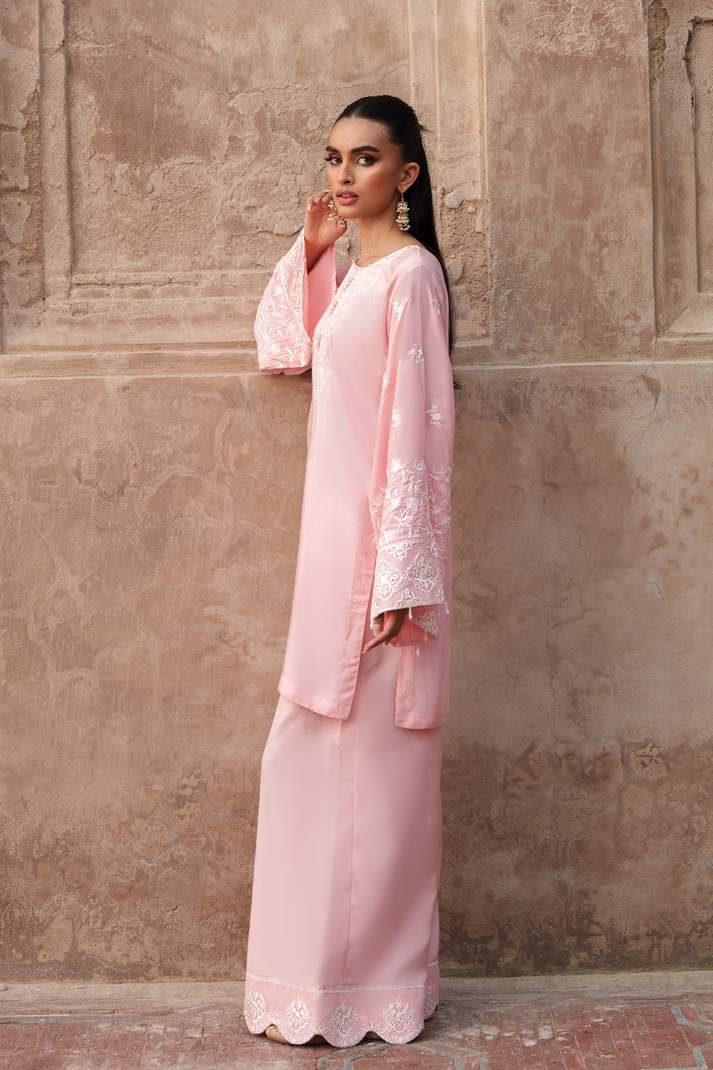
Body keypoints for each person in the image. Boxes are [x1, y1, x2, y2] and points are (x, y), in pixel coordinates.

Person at [243, 95, 456, 1049]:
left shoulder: (411, 277)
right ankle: (307, 984)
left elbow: (416, 425)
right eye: (333, 157)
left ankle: (375, 986)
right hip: (327, 556)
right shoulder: (359, 276)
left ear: (404, 175)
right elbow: (283, 348)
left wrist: (402, 577)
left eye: (364, 159)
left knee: (375, 773)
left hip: (377, 560)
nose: (342, 174)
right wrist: (316, 247)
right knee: (309, 761)